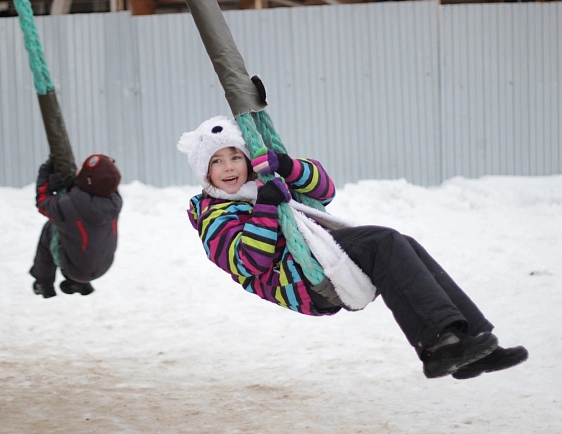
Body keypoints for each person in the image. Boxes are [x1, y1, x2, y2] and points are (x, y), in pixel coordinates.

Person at [177, 115, 528, 379]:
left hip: (316, 254)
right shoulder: (214, 212)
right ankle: (438, 345)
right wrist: (267, 207)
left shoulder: (263, 181)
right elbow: (248, 261)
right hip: (299, 278)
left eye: (234, 157)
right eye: (216, 161)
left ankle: (475, 341)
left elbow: (324, 190)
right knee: (384, 243)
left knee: (405, 244)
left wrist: (285, 166)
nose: (228, 168)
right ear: (204, 173)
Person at [30, 154, 122, 299]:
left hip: (75, 270)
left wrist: (45, 175)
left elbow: (42, 202)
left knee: (49, 229)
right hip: (104, 264)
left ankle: (43, 283)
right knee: (81, 234)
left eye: (80, 167)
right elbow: (90, 190)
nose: (77, 167)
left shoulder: (68, 206)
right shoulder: (115, 200)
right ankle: (79, 284)